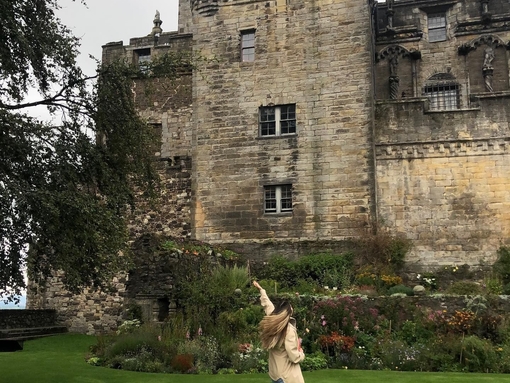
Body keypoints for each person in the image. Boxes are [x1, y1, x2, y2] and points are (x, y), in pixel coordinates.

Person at [253, 280, 305, 383]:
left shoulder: (273, 322)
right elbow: (293, 356)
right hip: (286, 376)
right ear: (288, 313)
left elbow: (267, 304)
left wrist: (261, 290)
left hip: (275, 374)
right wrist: (301, 354)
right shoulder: (288, 330)